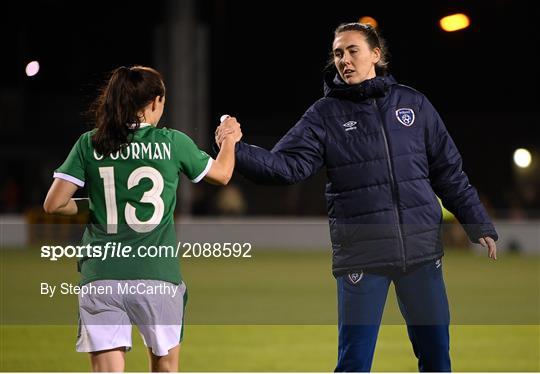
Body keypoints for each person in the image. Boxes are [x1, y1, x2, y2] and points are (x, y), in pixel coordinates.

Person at [216, 23, 498, 372]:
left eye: (352, 51)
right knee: (354, 363)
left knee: (437, 357)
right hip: (362, 255)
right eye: (337, 54)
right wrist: (236, 148)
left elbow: (448, 173)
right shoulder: (324, 114)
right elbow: (285, 167)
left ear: (376, 55)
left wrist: (477, 222)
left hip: (421, 251)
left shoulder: (414, 104)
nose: (344, 60)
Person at [43, 65, 241, 372]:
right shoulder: (173, 143)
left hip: (102, 274)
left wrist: (98, 206)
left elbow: (54, 204)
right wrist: (229, 138)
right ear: (155, 102)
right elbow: (223, 174)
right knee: (164, 368)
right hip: (156, 274)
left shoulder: (90, 142)